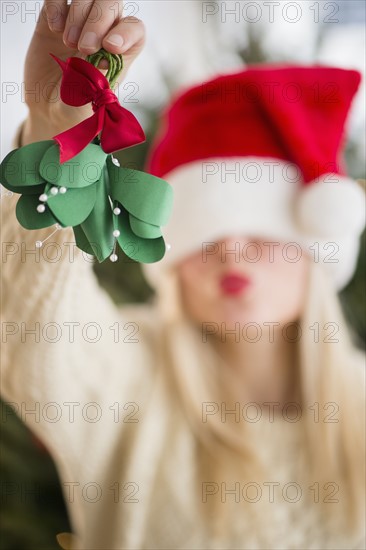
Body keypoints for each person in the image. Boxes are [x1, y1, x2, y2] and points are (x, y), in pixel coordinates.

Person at [1, 1, 365, 549]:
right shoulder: (126, 378)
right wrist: (58, 132)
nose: (232, 249)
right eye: (207, 233)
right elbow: (32, 328)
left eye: (261, 228)